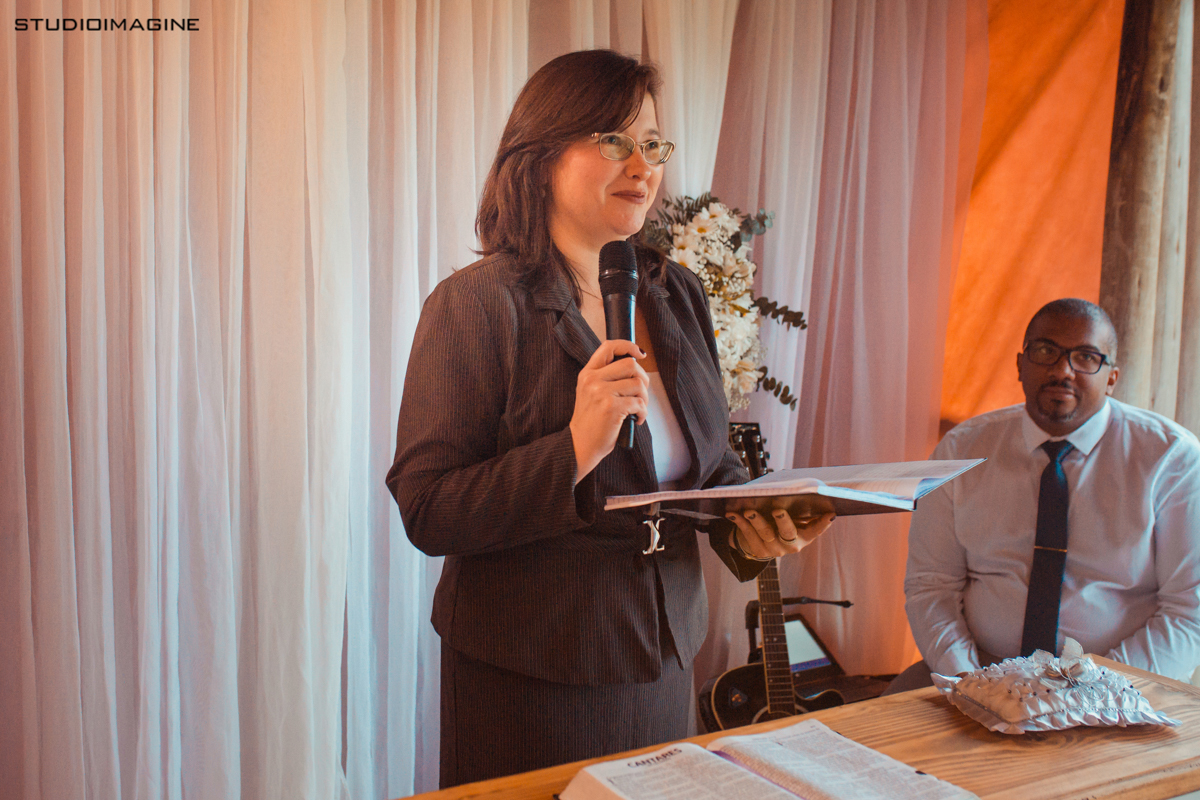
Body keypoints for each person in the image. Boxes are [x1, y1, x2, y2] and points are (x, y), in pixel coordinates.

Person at [385, 49, 834, 787]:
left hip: (664, 659)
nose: (642, 166)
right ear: (540, 157)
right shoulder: (475, 304)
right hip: (533, 674)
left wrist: (756, 523)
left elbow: (707, 463)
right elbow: (428, 508)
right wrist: (573, 449)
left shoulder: (676, 292)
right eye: (615, 140)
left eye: (653, 145)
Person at [894, 298, 1200, 693]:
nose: (1062, 370)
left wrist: (1093, 691)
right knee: (847, 731)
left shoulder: (1171, 457)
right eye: (1045, 351)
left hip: (1119, 685)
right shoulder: (961, 450)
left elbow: (1188, 611)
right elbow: (931, 585)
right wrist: (970, 682)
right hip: (980, 670)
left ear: (1112, 378)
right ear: (1020, 365)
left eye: (1086, 357)